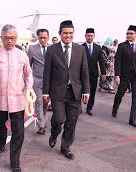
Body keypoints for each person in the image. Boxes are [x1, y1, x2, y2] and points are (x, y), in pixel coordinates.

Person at [0, 24, 33, 172]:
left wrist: (29, 88)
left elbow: (28, 74)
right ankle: (1, 142)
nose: (10, 41)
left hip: (17, 100)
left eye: (13, 38)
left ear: (16, 38)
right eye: (7, 38)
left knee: (18, 132)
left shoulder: (22, 55)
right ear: (1, 38)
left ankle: (15, 162)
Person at [43, 20, 90, 160]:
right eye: (65, 33)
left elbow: (84, 71)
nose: (68, 36)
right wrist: (45, 92)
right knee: (58, 119)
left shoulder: (80, 49)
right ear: (60, 33)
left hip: (75, 91)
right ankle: (54, 133)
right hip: (57, 92)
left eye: (71, 33)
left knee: (72, 121)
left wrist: (86, 91)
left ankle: (65, 147)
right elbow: (47, 73)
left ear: (73, 33)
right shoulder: (52, 50)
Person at [112, 25, 136, 128]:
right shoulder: (122, 46)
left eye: (131, 33)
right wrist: (117, 75)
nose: (129, 35)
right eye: (127, 33)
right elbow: (118, 61)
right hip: (124, 76)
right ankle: (115, 109)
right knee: (119, 94)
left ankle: (133, 119)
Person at [27, 28, 50, 135]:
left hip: (50, 81)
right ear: (38, 38)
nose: (42, 40)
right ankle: (41, 125)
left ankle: (43, 118)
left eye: (45, 38)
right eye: (41, 37)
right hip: (37, 81)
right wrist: (28, 80)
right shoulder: (32, 49)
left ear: (48, 38)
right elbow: (28, 65)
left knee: (46, 103)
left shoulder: (53, 49)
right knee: (39, 103)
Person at [82, 28, 106, 116]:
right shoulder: (81, 47)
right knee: (81, 91)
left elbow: (101, 61)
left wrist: (103, 73)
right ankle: (79, 108)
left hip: (94, 74)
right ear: (85, 36)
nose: (90, 37)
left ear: (94, 36)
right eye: (88, 35)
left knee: (92, 92)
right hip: (82, 74)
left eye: (91, 36)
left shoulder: (98, 48)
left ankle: (89, 108)